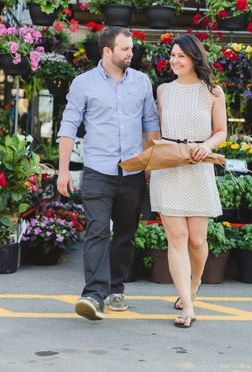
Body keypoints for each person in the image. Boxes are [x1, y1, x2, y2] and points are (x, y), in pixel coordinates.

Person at [58, 26, 161, 321]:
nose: (131, 53)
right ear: (107, 51)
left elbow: (150, 125)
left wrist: (151, 164)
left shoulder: (141, 82)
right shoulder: (83, 83)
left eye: (131, 48)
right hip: (97, 171)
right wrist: (63, 171)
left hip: (132, 172)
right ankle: (93, 294)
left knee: (125, 235)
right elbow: (68, 128)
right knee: (98, 231)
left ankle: (116, 287)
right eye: (125, 49)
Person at [151, 34, 226, 329]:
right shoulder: (163, 91)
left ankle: (193, 288)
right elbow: (156, 129)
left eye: (181, 56)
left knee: (197, 240)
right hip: (168, 167)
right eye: (172, 55)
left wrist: (207, 145)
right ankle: (188, 306)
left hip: (198, 166)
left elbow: (221, 131)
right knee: (177, 238)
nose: (175, 61)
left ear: (195, 58)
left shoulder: (213, 92)